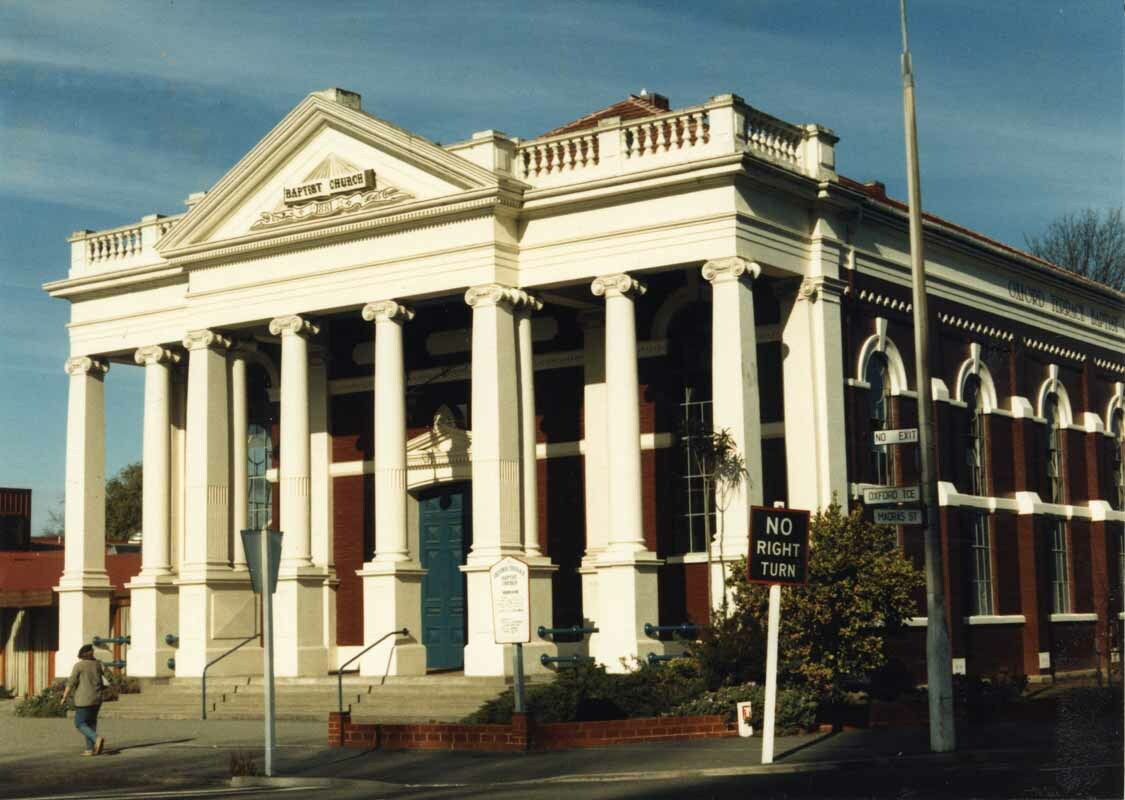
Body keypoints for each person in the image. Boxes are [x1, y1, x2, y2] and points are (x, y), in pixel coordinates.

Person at [61, 644, 106, 756]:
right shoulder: (98, 664)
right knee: (91, 723)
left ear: (81, 655)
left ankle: (97, 738)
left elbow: (71, 682)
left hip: (84, 699)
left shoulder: (79, 666)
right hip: (97, 698)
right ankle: (89, 749)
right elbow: (107, 678)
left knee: (79, 723)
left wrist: (64, 697)